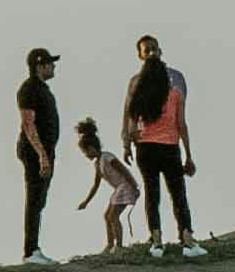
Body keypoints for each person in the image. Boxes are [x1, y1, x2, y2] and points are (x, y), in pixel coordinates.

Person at [120, 33, 204, 259]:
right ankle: (165, 241)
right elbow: (129, 116)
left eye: (153, 48)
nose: (151, 53)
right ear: (140, 55)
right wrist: (126, 143)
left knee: (171, 194)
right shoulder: (141, 82)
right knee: (160, 194)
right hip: (151, 146)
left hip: (163, 146)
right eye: (146, 50)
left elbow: (180, 121)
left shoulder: (174, 80)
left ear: (160, 50)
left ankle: (179, 240)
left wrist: (188, 154)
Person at [14, 46, 61, 264]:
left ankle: (34, 249)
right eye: (50, 63)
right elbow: (28, 124)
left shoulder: (42, 89)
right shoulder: (29, 88)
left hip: (45, 150)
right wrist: (41, 154)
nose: (53, 66)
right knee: (34, 199)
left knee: (39, 200)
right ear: (40, 65)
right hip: (35, 151)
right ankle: (30, 252)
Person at [83, 130, 140, 254]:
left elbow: (124, 170)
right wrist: (86, 202)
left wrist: (134, 186)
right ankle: (110, 245)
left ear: (92, 148)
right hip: (119, 189)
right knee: (107, 216)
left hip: (125, 186)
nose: (85, 154)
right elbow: (95, 186)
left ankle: (118, 247)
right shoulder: (97, 164)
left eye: (85, 151)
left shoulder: (107, 157)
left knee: (113, 216)